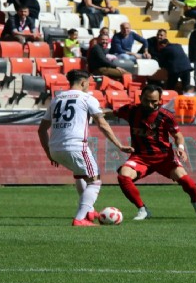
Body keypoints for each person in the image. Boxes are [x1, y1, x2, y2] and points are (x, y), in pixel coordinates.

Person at [37, 70, 134, 226]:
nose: (89, 86)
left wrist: (49, 153)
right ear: (83, 83)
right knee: (95, 180)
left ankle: (88, 211)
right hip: (76, 146)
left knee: (81, 175)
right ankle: (80, 218)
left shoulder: (56, 99)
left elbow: (41, 129)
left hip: (55, 148)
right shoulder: (87, 98)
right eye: (88, 83)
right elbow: (102, 124)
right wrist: (119, 145)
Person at [104, 85, 196, 221]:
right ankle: (142, 209)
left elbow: (178, 136)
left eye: (154, 101)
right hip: (140, 157)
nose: (150, 104)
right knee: (123, 176)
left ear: (160, 101)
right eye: (146, 100)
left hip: (164, 158)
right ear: (141, 98)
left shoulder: (166, 116)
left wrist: (181, 148)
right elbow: (110, 113)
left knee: (189, 183)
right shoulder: (131, 111)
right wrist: (94, 111)